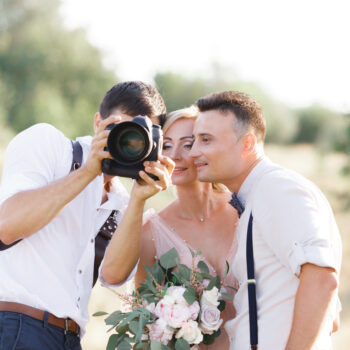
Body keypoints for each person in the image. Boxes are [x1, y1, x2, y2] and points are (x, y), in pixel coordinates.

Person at [0, 81, 172, 350]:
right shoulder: (49, 144)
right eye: (122, 130)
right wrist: (87, 172)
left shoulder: (124, 203)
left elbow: (113, 277)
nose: (128, 143)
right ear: (97, 123)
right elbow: (6, 225)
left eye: (139, 138)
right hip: (17, 326)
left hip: (70, 339)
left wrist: (139, 198)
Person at [189, 91, 342, 350]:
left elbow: (321, 279)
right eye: (194, 140)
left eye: (206, 140)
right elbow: (333, 319)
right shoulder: (258, 195)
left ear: (247, 143)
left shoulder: (277, 189)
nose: (194, 152)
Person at [101, 106, 239, 349]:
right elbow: (144, 317)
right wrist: (138, 198)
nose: (175, 155)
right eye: (166, 146)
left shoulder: (245, 210)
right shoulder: (153, 232)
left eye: (188, 144)